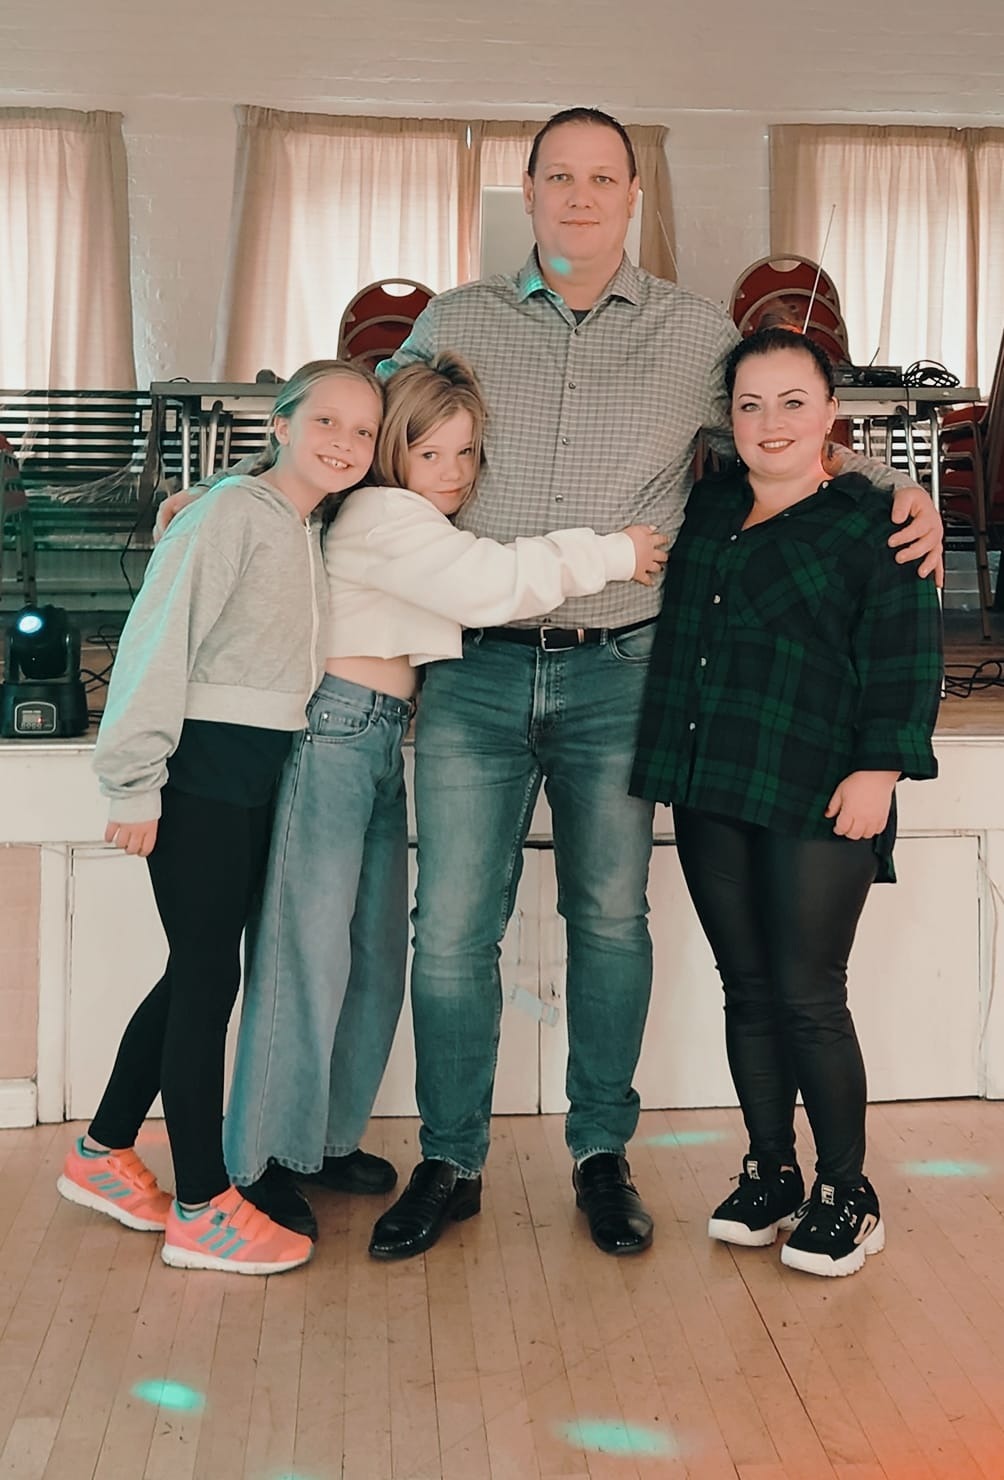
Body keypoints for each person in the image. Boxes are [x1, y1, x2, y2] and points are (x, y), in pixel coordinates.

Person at [156, 107, 943, 1262]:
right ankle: (450, 1158)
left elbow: (780, 424)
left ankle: (599, 1153)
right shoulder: (456, 319)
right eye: (558, 177)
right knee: (447, 931)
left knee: (610, 923)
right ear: (527, 192)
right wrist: (238, 491)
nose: (579, 197)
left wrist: (890, 487)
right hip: (472, 673)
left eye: (601, 179)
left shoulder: (691, 332)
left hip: (622, 671)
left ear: (632, 195)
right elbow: (355, 436)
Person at [221, 352, 667, 1240]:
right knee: (305, 952)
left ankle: (323, 1141)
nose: (455, 473)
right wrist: (616, 551)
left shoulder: (404, 515)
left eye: (467, 453)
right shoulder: (384, 513)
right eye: (432, 454)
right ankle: (259, 1159)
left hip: (384, 732)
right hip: (337, 730)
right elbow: (487, 582)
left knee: (374, 953)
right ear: (395, 451)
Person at [57, 359, 384, 1276]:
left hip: (250, 771)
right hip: (196, 769)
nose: (345, 442)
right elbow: (156, 642)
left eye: (363, 430)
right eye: (326, 421)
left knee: (196, 972)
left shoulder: (296, 523)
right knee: (208, 980)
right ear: (280, 424)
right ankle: (202, 1203)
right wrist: (133, 782)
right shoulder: (232, 515)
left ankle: (103, 1151)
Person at [630, 327, 942, 1277]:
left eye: (794, 402)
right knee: (749, 989)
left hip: (824, 788)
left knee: (809, 997)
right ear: (727, 419)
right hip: (711, 775)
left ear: (831, 414)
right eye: (751, 404)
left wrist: (881, 770)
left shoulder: (876, 521)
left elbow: (907, 655)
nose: (772, 422)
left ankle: (849, 1192)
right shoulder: (706, 506)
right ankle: (771, 1170)